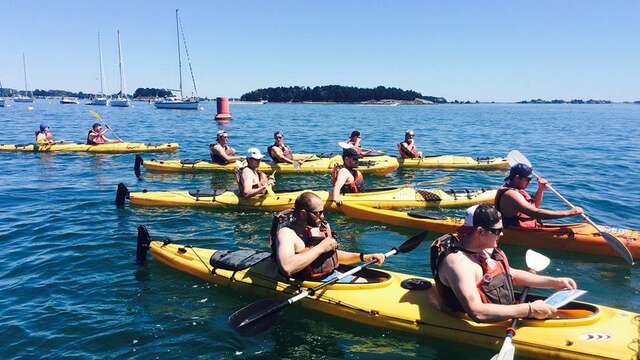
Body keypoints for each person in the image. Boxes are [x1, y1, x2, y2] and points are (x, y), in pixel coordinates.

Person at [430, 204, 577, 323]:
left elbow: (510, 274)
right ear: (480, 232)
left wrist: (554, 282)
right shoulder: (458, 264)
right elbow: (477, 312)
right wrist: (529, 309)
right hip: (467, 319)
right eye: (497, 230)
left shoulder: (487, 249)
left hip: (505, 310)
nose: (502, 234)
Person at [271, 191, 386, 282]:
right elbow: (287, 267)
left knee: (380, 279)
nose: (322, 216)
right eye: (318, 213)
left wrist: (363, 257)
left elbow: (330, 257)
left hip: (330, 275)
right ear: (302, 214)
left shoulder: (317, 227)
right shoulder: (287, 233)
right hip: (309, 283)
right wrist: (321, 247)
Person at [495, 163, 583, 229]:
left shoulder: (516, 189)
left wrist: (540, 189)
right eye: (528, 179)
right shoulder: (511, 194)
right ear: (517, 178)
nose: (529, 182)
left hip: (530, 228)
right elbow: (535, 213)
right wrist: (569, 213)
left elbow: (535, 206)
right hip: (516, 232)